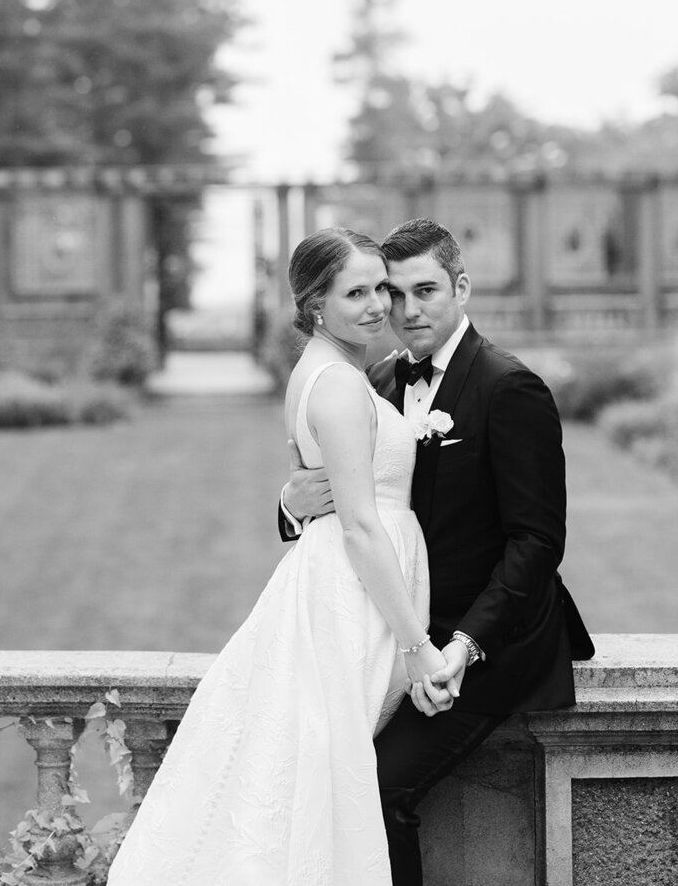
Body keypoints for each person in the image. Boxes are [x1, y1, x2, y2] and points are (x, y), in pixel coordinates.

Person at [108, 227, 445, 886]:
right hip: (354, 596)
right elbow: (359, 527)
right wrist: (418, 644)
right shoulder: (342, 385)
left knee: (311, 774)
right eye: (357, 291)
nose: (379, 304)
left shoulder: (325, 372)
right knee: (327, 775)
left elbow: (317, 493)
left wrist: (292, 501)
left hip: (335, 584)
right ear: (315, 303)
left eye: (382, 286)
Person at [280, 216, 595, 885]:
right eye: (392, 293)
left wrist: (459, 646)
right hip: (395, 633)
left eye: (426, 289)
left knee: (375, 787)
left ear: (461, 286)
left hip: (486, 643)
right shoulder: (382, 380)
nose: (406, 309)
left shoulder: (510, 387)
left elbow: (537, 541)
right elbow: (352, 502)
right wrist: (289, 505)